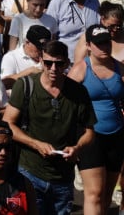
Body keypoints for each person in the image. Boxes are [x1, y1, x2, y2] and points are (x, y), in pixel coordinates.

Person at [3, 39, 95, 215]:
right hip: (30, 172)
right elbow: (8, 124)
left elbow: (89, 132)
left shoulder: (78, 92)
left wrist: (77, 148)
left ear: (67, 63)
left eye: (59, 64)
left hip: (63, 176)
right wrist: (36, 144)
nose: (53, 68)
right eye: (48, 63)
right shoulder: (25, 85)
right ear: (41, 61)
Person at [64, 23, 124, 215]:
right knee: (94, 194)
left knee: (107, 195)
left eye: (107, 43)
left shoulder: (120, 68)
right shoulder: (80, 70)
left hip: (116, 135)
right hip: (91, 136)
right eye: (99, 44)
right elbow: (67, 105)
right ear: (89, 45)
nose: (104, 47)